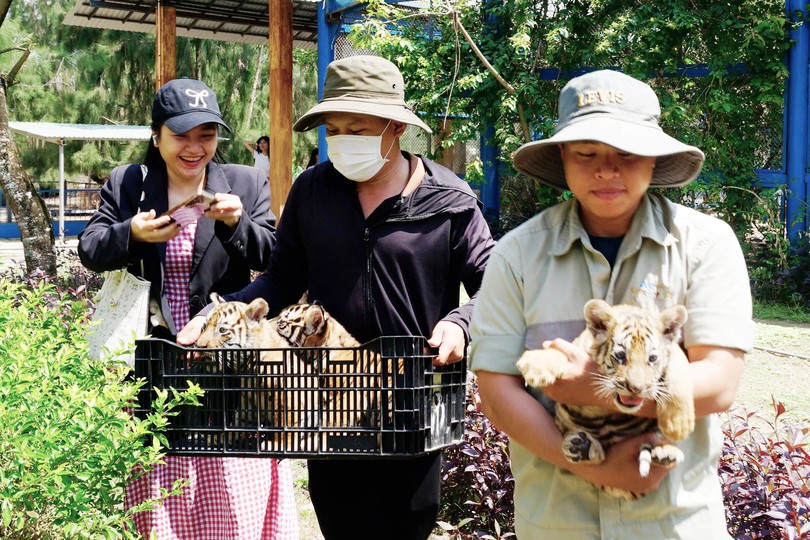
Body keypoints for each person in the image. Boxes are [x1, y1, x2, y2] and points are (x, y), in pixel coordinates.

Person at [178, 55, 495, 540]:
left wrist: (461, 322)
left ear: (394, 127)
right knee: (341, 524)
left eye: (358, 128)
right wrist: (221, 312)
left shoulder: (449, 200)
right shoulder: (313, 191)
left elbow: (493, 286)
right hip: (325, 400)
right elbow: (279, 281)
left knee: (407, 525)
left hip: (412, 401)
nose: (343, 140)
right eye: (335, 129)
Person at [469, 69, 755, 539]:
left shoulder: (706, 244)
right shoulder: (516, 255)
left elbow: (720, 384)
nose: (606, 169)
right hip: (558, 523)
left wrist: (586, 388)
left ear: (653, 157)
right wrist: (594, 467)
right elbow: (497, 392)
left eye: (626, 153)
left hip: (677, 524)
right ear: (562, 155)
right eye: (586, 153)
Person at [78, 78, 298, 539]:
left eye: (206, 135)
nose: (194, 147)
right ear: (156, 136)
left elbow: (278, 259)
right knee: (160, 494)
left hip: (230, 370)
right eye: (181, 135)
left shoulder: (244, 181)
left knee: (233, 493)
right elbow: (90, 249)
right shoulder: (129, 184)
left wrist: (237, 224)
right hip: (155, 370)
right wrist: (131, 234)